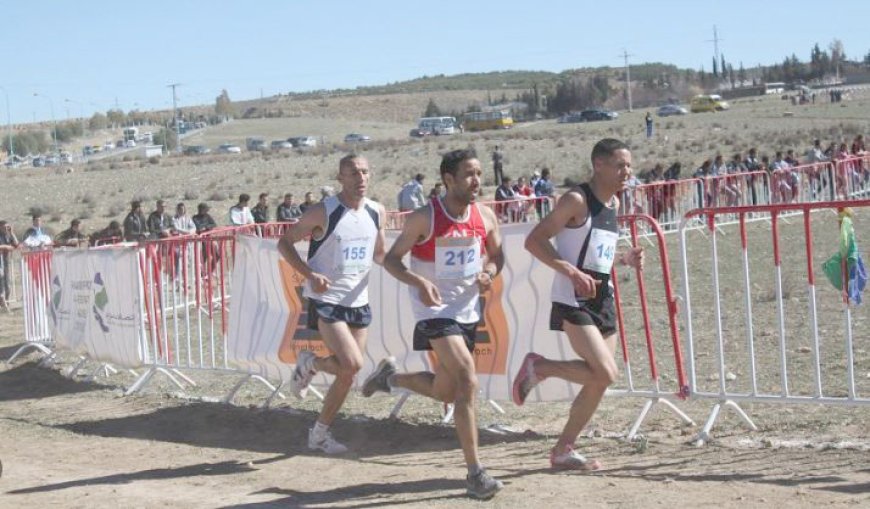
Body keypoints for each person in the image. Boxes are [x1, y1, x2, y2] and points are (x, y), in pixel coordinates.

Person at [362, 148, 505, 500]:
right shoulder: (424, 218)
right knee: (467, 380)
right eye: (469, 174)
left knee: (446, 391)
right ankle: (475, 473)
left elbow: (498, 254)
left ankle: (388, 378)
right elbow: (393, 261)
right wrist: (418, 282)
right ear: (448, 180)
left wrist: (488, 271)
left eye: (479, 173)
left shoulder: (484, 216)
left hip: (469, 310)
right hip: (434, 311)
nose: (477, 181)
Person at [512, 138, 644, 472]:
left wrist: (624, 260)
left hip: (603, 298)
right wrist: (569, 271)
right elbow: (534, 240)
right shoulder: (576, 200)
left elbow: (598, 255)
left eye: (629, 165)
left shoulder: (612, 204)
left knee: (598, 380)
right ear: (598, 164)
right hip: (573, 298)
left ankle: (563, 450)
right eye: (619, 165)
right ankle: (540, 368)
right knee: (606, 372)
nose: (626, 171)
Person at [278, 154, 386, 456]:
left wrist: (411, 269)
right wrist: (311, 274)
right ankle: (310, 363)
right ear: (341, 177)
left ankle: (319, 434)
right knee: (352, 363)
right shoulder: (323, 211)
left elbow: (379, 254)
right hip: (328, 300)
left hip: (358, 300)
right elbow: (284, 243)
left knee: (347, 373)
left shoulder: (377, 211)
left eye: (365, 172)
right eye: (353, 173)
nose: (360, 178)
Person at [0, 220, 19, 310]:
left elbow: (16, 244)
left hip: (6, 260)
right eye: (3, 227)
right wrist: (6, 247)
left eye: (7, 227)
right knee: (1, 281)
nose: (5, 228)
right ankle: (3, 303)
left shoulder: (8, 235)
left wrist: (12, 233)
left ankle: (6, 302)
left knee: (7, 283)